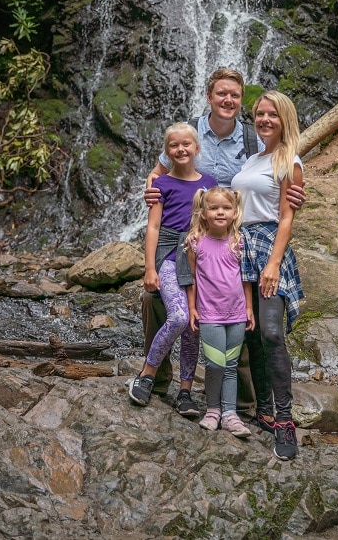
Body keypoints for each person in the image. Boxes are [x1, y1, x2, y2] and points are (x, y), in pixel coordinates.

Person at [142, 68, 307, 410]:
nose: (228, 100)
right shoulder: (188, 133)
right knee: (156, 297)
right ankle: (157, 381)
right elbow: (158, 172)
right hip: (182, 235)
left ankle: (243, 401)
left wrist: (296, 195)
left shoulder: (252, 140)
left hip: (231, 238)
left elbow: (278, 170)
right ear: (209, 97)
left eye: (234, 95)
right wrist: (150, 189)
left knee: (238, 307)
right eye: (221, 94)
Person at [231, 90, 304, 461]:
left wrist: (273, 263)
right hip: (240, 248)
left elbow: (288, 216)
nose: (264, 120)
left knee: (272, 332)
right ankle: (263, 411)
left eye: (271, 114)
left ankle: (286, 421)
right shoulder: (249, 161)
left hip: (268, 247)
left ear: (284, 118)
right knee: (252, 334)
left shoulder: (289, 161)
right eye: (259, 114)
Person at [129, 123, 217, 412]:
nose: (180, 149)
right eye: (173, 146)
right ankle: (147, 374)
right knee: (179, 316)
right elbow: (153, 227)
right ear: (167, 152)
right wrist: (149, 269)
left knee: (194, 324)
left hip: (198, 258)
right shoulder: (161, 183)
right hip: (168, 255)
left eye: (186, 144)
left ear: (196, 148)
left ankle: (186, 391)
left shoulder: (210, 183)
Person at [186, 186, 254, 438]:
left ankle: (230, 414)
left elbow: (246, 279)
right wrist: (192, 308)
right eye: (213, 208)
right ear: (203, 213)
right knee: (215, 364)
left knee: (231, 364)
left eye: (226, 208)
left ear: (235, 212)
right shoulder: (196, 242)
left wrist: (249, 307)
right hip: (210, 316)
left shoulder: (239, 241)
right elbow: (191, 279)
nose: (220, 213)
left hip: (236, 315)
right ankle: (212, 410)